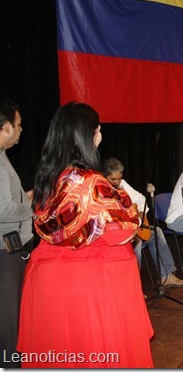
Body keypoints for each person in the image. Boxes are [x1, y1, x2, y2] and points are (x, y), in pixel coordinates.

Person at [17, 102, 153, 368]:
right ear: (90, 134)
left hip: (48, 279)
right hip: (89, 286)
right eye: (97, 127)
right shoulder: (92, 182)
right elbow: (121, 233)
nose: (100, 131)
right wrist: (128, 206)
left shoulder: (48, 178)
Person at [102, 157, 183, 288]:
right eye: (113, 179)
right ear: (103, 176)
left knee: (157, 232)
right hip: (114, 235)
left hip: (131, 227)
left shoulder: (122, 184)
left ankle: (167, 276)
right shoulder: (100, 190)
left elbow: (141, 199)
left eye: (119, 178)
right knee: (136, 241)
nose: (117, 182)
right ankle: (133, 286)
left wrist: (141, 213)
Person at [0, 99, 34, 368]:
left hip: (8, 250)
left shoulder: (3, 158)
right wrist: (30, 205)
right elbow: (4, 211)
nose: (21, 130)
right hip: (4, 252)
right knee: (8, 323)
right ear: (5, 127)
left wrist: (25, 198)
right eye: (18, 125)